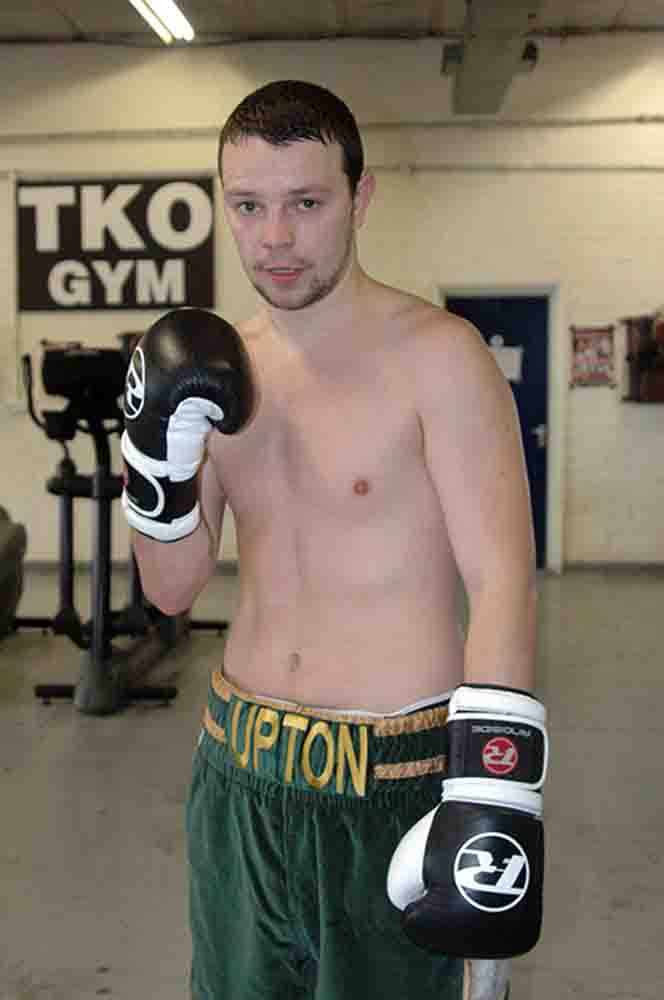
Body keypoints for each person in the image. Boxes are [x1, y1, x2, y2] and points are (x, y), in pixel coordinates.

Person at [121, 81, 547, 1000]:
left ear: (360, 198)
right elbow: (172, 590)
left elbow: (503, 580)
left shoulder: (440, 356)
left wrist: (492, 795)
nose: (275, 237)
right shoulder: (219, 369)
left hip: (396, 782)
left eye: (306, 203)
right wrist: (154, 463)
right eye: (248, 206)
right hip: (240, 768)